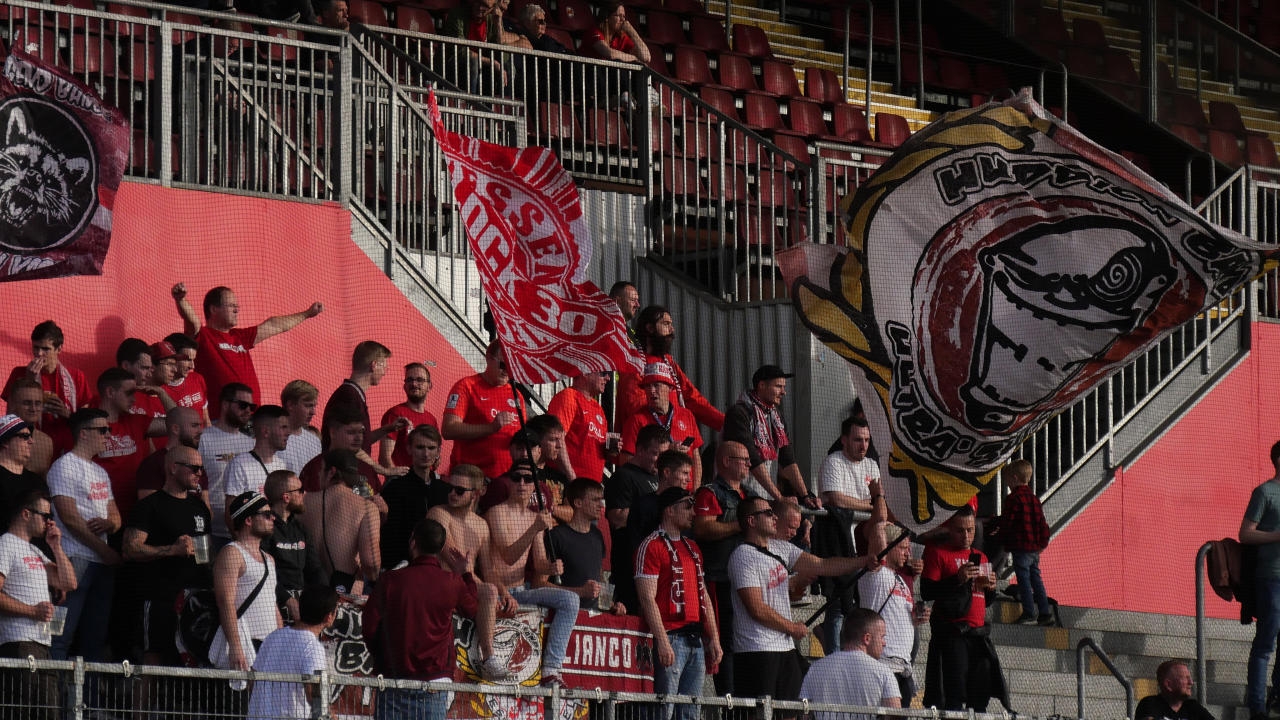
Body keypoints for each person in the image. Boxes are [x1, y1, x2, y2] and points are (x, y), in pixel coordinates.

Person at [727, 496, 883, 704]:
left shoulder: (782, 548)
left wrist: (863, 561)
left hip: (784, 648)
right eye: (767, 513)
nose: (773, 517)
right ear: (751, 521)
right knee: (759, 711)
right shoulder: (743, 556)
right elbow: (756, 608)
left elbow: (822, 565)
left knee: (791, 710)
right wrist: (791, 627)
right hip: (756, 649)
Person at [364, 519, 480, 718]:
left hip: (394, 679)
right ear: (441, 547)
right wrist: (466, 574)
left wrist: (383, 657)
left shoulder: (390, 580)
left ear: (413, 542)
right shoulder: (452, 582)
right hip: (434, 682)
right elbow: (471, 609)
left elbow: (369, 626)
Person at [486, 463, 580, 686]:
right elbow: (508, 556)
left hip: (523, 590)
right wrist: (534, 528)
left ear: (534, 486)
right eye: (516, 478)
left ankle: (551, 668)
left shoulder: (533, 518)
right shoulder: (496, 513)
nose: (521, 484)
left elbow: (538, 563)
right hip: (499, 591)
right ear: (508, 481)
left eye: (527, 480)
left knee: (570, 599)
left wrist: (551, 567)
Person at [123, 445, 214, 667]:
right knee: (154, 656)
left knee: (195, 655)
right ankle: (142, 704)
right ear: (173, 468)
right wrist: (172, 549)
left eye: (202, 468)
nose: (200, 474)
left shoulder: (199, 507)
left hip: (196, 597)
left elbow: (206, 551)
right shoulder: (150, 506)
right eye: (194, 468)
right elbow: (129, 549)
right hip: (160, 596)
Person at [635, 487, 721, 720]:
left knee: (690, 712)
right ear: (670, 511)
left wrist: (713, 637)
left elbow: (703, 595)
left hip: (695, 641)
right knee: (663, 710)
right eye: (687, 506)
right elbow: (646, 598)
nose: (694, 512)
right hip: (671, 638)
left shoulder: (693, 548)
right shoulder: (651, 545)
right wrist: (662, 641)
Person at [46, 408, 122, 662]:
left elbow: (116, 517)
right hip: (75, 560)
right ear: (83, 433)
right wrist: (104, 550)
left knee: (95, 639)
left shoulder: (100, 471)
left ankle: (87, 701)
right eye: (102, 430)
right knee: (60, 635)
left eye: (108, 430)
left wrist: (109, 526)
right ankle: (51, 699)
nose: (108, 435)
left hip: (101, 563)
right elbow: (68, 517)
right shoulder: (63, 467)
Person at [424, 464, 511, 679]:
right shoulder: (438, 513)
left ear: (477, 493)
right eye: (450, 488)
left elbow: (489, 569)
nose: (452, 494)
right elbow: (454, 560)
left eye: (460, 490)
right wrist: (487, 588)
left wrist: (505, 592)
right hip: (442, 583)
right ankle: (489, 657)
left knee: (491, 590)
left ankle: (488, 657)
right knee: (488, 590)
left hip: (466, 587)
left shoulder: (481, 525)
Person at [171, 282, 324, 406]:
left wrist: (307, 314)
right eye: (231, 305)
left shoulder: (240, 336)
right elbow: (192, 321)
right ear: (213, 309)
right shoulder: (203, 335)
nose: (237, 310)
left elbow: (275, 325)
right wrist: (181, 300)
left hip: (252, 419)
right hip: (222, 422)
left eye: (237, 306)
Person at [920, 506, 1009, 712]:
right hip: (953, 631)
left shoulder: (981, 556)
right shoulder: (937, 552)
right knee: (954, 692)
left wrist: (992, 589)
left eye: (970, 530)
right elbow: (927, 592)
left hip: (977, 633)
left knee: (980, 691)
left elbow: (984, 601)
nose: (966, 536)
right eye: (960, 530)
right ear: (950, 528)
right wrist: (957, 579)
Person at [0, 488, 76, 720]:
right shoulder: (6, 542)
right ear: (26, 514)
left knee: (49, 711)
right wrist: (31, 611)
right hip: (18, 641)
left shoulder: (35, 550)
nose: (49, 522)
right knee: (20, 710)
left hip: (43, 642)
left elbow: (69, 582)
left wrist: (56, 546)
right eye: (45, 516)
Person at [692, 440, 756, 693]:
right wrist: (741, 525)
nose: (750, 464)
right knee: (725, 641)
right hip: (720, 578)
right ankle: (728, 700)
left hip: (747, 579)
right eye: (744, 459)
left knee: (742, 639)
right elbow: (703, 528)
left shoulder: (750, 495)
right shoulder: (710, 492)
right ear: (726, 462)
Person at [814, 416, 882, 650]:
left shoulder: (872, 465)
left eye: (866, 440)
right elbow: (835, 498)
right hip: (837, 542)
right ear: (844, 440)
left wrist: (871, 503)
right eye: (857, 440)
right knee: (836, 604)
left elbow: (881, 498)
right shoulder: (834, 462)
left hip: (863, 542)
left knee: (854, 606)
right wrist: (869, 503)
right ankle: (832, 653)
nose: (863, 445)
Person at [618, 306, 723, 434]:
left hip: (675, 437)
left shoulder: (669, 362)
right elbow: (634, 404)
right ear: (650, 328)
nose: (672, 330)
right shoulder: (633, 361)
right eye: (666, 324)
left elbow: (693, 399)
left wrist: (725, 424)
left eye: (671, 325)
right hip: (646, 442)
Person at [723, 365, 814, 506]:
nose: (784, 392)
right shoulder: (739, 413)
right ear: (762, 385)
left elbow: (788, 459)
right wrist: (780, 498)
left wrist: (806, 495)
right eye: (778, 386)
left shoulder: (776, 417)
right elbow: (752, 458)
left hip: (764, 496)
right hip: (736, 497)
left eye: (784, 387)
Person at [211, 491, 282, 670]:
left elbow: (272, 604)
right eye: (266, 515)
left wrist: (281, 643)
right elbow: (225, 602)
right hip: (246, 642)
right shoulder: (232, 553)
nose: (272, 518)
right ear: (248, 520)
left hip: (270, 645)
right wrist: (235, 646)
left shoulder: (269, 559)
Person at [858, 523, 927, 704]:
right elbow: (877, 528)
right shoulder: (874, 575)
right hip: (882, 663)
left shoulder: (901, 580)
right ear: (887, 545)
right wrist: (879, 497)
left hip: (902, 666)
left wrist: (916, 618)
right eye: (903, 548)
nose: (908, 554)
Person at [323, 341, 408, 489]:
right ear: (374, 365)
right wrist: (383, 470)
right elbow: (348, 445)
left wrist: (387, 429)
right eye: (384, 365)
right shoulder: (349, 396)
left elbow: (360, 441)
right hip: (345, 480)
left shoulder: (353, 395)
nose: (385, 371)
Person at [246, 585, 338, 720]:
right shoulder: (313, 647)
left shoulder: (273, 636)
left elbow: (252, 681)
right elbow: (313, 693)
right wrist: (331, 715)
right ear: (329, 616)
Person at [606, 425, 670, 613]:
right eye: (655, 454)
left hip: (656, 562)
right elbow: (616, 518)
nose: (660, 461)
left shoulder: (659, 478)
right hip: (630, 562)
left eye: (664, 455)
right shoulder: (624, 476)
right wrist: (652, 513)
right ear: (639, 450)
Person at [300, 449, 381, 594]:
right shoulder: (366, 507)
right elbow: (371, 562)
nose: (318, 474)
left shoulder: (303, 502)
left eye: (321, 470)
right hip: (347, 594)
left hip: (309, 593)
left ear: (331, 472)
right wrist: (373, 579)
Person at [799, 608, 902, 720]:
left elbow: (804, 707)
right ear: (867, 638)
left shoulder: (816, 668)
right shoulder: (883, 672)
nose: (884, 643)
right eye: (882, 637)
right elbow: (894, 712)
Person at [93, 367, 166, 521]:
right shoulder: (87, 426)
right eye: (129, 393)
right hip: (101, 516)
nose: (134, 399)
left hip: (137, 514)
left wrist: (162, 394)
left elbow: (179, 424)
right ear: (110, 392)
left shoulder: (136, 421)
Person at [540, 478, 622, 613]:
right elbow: (539, 584)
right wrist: (580, 592)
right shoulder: (557, 536)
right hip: (564, 613)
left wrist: (611, 605)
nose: (601, 506)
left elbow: (600, 578)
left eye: (601, 500)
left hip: (594, 617)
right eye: (595, 500)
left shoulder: (597, 535)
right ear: (578, 503)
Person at [1241, 440, 1280, 720]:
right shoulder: (1265, 492)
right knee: (1266, 642)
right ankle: (1256, 703)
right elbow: (1246, 533)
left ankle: (1276, 697)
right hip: (1271, 577)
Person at [990, 459, 1052, 625]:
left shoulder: (1013, 499)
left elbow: (1008, 522)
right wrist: (1042, 544)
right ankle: (1045, 613)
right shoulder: (1034, 499)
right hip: (1034, 549)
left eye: (1008, 481)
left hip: (1020, 548)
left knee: (1023, 580)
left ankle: (1029, 611)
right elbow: (1042, 524)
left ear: (1014, 478)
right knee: (1036, 580)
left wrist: (999, 536)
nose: (1007, 485)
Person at [619, 362, 702, 485]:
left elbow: (696, 457)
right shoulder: (636, 420)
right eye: (647, 386)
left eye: (656, 385)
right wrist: (667, 452)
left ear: (670, 388)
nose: (651, 391)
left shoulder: (687, 416)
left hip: (685, 492)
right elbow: (625, 461)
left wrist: (696, 491)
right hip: (653, 491)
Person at [381, 425, 449, 570]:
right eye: (420, 447)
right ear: (409, 449)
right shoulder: (394, 487)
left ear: (438, 451)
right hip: (402, 567)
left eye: (431, 448)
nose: (425, 454)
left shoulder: (445, 490)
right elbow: (389, 534)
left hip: (439, 568)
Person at [2, 320, 93, 429]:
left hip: (68, 441)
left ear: (59, 349)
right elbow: (11, 414)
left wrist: (66, 413)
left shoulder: (76, 376)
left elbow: (87, 420)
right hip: (32, 440)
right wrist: (29, 381)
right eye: (36, 347)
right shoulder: (19, 373)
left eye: (45, 349)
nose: (39, 353)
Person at [262, 470, 324, 624]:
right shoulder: (265, 528)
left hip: (303, 601)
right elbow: (263, 574)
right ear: (286, 497)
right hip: (273, 604)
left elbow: (314, 568)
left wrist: (327, 596)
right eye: (300, 490)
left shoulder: (301, 529)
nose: (305, 494)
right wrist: (288, 600)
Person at [200, 383, 257, 541]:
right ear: (225, 404)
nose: (248, 411)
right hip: (211, 530)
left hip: (245, 530)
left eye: (251, 407)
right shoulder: (203, 439)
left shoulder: (251, 444)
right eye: (243, 405)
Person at [222, 405, 291, 527]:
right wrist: (243, 545)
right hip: (250, 538)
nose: (288, 433)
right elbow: (230, 513)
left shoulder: (281, 464)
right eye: (283, 427)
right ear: (266, 432)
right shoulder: (240, 464)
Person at [547, 370, 610, 483]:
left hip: (590, 486)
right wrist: (571, 476)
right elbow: (555, 438)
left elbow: (597, 446)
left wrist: (611, 448)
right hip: (566, 480)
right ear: (585, 373)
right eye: (603, 373)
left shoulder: (598, 408)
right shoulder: (569, 396)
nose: (608, 378)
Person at [440, 0, 510, 96]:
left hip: (481, 69)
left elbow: (504, 57)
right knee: (473, 61)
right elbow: (461, 51)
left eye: (485, 6)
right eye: (478, 2)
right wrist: (491, 62)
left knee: (508, 68)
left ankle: (494, 108)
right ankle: (471, 103)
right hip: (453, 65)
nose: (480, 8)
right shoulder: (457, 14)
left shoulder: (492, 19)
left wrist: (498, 23)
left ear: (492, 9)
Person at [379, 362, 440, 470]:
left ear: (429, 386)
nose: (414, 384)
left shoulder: (432, 419)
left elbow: (435, 459)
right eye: (409, 380)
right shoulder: (395, 414)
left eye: (420, 380)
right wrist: (400, 482)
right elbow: (385, 458)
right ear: (404, 386)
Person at [628, 450, 693, 547]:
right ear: (667, 472)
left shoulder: (688, 506)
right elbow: (634, 546)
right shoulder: (642, 505)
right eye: (684, 473)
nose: (689, 479)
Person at [1135, 660, 1215, 720]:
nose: (1191, 682)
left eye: (1190, 678)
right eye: (1185, 678)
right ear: (1168, 685)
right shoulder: (1150, 703)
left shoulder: (1193, 707)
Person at [5, 379, 54, 476]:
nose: (33, 409)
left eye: (38, 403)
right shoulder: (3, 435)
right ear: (12, 404)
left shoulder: (46, 442)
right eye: (27, 403)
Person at [0, 415, 42, 528]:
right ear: (6, 442)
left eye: (30, 436)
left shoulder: (37, 481)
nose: (31, 441)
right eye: (25, 436)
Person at [161, 332, 210, 425]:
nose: (192, 366)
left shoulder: (197, 379)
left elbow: (206, 419)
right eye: (187, 360)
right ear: (171, 357)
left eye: (193, 360)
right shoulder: (159, 389)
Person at [580, 0, 649, 64]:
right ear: (607, 17)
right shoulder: (594, 31)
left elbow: (646, 57)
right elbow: (610, 53)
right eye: (618, 15)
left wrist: (632, 32)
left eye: (624, 16)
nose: (622, 20)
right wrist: (634, 58)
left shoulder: (622, 37)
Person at [278, 380, 322, 474]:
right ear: (290, 405)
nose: (313, 412)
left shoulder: (314, 441)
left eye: (314, 406)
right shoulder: (274, 439)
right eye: (308, 406)